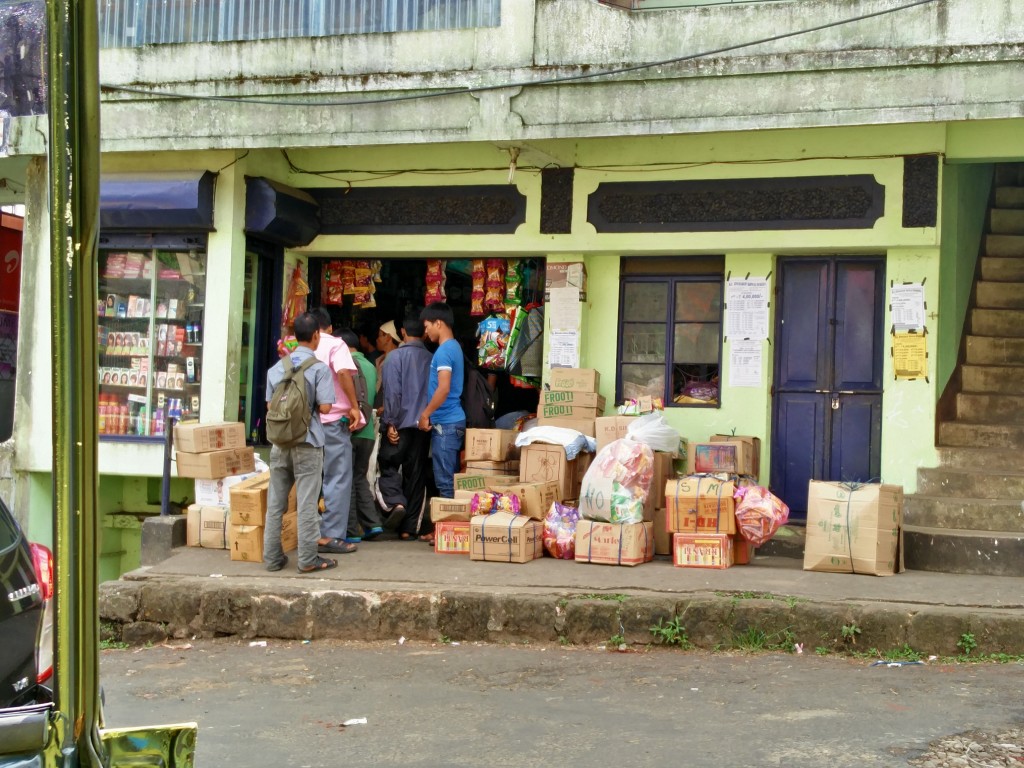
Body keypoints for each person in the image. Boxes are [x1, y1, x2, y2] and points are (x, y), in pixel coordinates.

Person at [263, 312, 338, 574]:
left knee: (275, 504)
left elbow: (271, 406)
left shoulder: (277, 368)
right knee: (306, 503)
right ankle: (307, 559)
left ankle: (272, 558)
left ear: (294, 337)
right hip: (308, 441)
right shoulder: (319, 369)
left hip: (279, 443)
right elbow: (327, 407)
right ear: (317, 336)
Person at [377, 313, 433, 541]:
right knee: (416, 475)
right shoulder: (432, 359)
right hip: (422, 425)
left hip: (399, 424)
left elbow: (392, 393)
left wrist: (390, 422)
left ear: (402, 333)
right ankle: (409, 528)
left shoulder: (394, 359)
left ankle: (395, 501)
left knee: (386, 465)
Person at [312, 307, 362, 551]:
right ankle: (329, 535)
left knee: (309, 478)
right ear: (329, 327)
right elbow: (343, 372)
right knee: (337, 477)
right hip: (331, 421)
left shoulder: (297, 348)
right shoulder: (335, 344)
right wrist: (354, 406)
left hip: (305, 423)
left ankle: (305, 532)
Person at [337, 327, 385, 541]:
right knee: (359, 477)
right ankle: (372, 524)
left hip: (351, 428)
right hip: (368, 431)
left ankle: (350, 530)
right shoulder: (370, 364)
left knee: (347, 478)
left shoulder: (344, 365)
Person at [419, 302, 466, 507]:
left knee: (445, 481)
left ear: (438, 323)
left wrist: (425, 414)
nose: (426, 331)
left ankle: (444, 528)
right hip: (451, 421)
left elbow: (444, 387)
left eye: (427, 325)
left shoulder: (444, 351)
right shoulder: (454, 347)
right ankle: (445, 526)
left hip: (446, 423)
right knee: (448, 478)